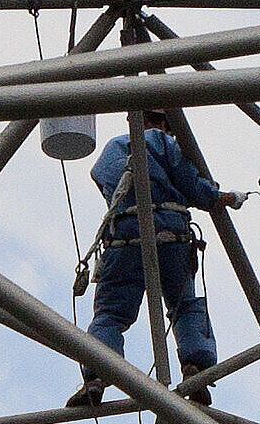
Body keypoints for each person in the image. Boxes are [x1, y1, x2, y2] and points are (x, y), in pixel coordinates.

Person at [67, 108, 243, 408]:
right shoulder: (164, 144)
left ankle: (96, 376)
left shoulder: (113, 150)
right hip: (171, 234)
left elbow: (106, 182)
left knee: (110, 314)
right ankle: (194, 370)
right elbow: (195, 190)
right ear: (163, 123)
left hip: (123, 237)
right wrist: (227, 197)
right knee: (184, 306)